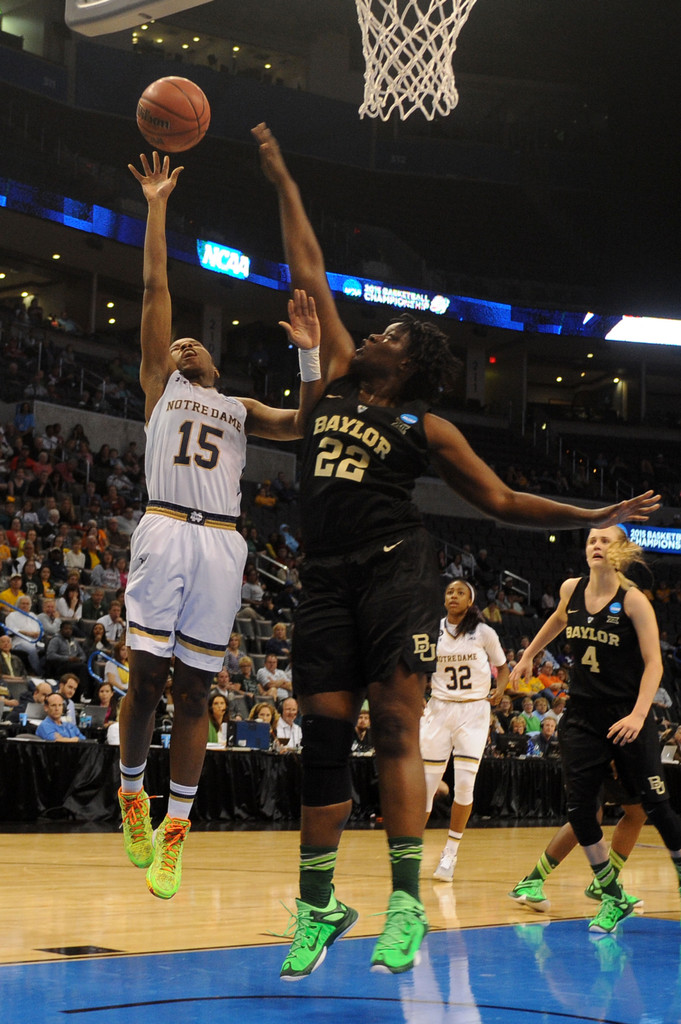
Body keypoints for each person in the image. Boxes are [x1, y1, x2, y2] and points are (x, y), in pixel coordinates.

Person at [252, 120, 661, 977]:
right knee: (326, 742)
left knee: (397, 726)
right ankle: (318, 909)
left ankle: (405, 905)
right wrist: (282, 175)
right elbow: (308, 267)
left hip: (397, 571)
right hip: (323, 579)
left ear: (405, 362)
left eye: (387, 334)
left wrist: (598, 505)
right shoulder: (327, 382)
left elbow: (505, 501)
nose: (368, 334)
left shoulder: (424, 422)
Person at [117, 150, 323, 902]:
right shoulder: (156, 383)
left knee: (197, 693)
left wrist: (307, 354)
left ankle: (176, 831)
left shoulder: (237, 408)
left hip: (221, 544)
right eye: (174, 344)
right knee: (144, 681)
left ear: (214, 359)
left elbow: (304, 422)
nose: (181, 345)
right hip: (166, 527)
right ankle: (131, 796)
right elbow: (153, 287)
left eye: (191, 343)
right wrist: (157, 203)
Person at [508, 526, 681, 934]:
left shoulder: (634, 601)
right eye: (591, 541)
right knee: (581, 810)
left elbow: (655, 664)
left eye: (605, 540)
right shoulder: (572, 589)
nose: (597, 546)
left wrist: (640, 715)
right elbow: (555, 619)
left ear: (620, 550)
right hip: (583, 715)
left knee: (655, 806)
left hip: (627, 714)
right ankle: (612, 894)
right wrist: (528, 655)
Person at [421, 580, 508, 882]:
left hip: (473, 710)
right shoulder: (432, 631)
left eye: (460, 592)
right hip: (439, 708)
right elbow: (418, 668)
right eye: (449, 592)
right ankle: (411, 849)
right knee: (426, 787)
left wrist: (501, 689)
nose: (453, 596)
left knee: (465, 786)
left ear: (470, 601)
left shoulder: (484, 633)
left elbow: (504, 666)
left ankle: (450, 853)